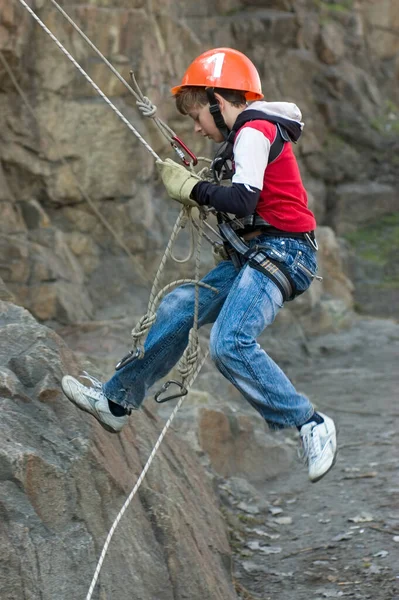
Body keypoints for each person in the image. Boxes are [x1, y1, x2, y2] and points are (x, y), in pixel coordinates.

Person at [61, 48, 337, 483]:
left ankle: (310, 423)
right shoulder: (244, 137)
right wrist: (205, 191)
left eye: (197, 115)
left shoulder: (253, 131)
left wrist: (194, 189)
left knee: (230, 343)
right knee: (178, 308)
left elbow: (244, 198)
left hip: (285, 252)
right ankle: (117, 401)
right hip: (258, 252)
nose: (195, 127)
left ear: (218, 101)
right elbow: (246, 201)